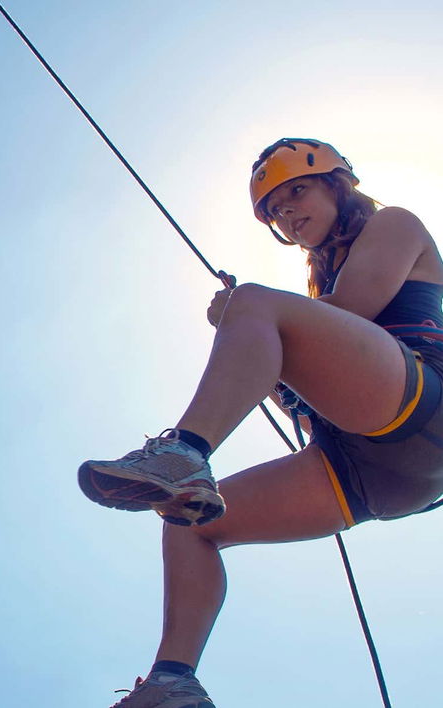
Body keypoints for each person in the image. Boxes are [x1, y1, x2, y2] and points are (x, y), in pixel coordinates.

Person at [77, 138, 443, 707]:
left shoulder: (394, 225)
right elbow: (305, 393)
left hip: (425, 408)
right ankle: (175, 681)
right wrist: (265, 348)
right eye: (275, 209)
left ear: (338, 183)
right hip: (373, 472)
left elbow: (349, 317)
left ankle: (185, 451)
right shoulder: (319, 294)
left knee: (254, 301)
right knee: (188, 522)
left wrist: (249, 314)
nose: (288, 212)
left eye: (297, 190)